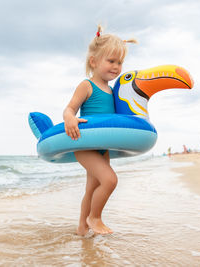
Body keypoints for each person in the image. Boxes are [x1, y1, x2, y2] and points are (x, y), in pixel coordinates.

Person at [63, 25, 137, 235]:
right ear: (94, 61)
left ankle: (81, 229)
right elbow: (69, 109)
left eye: (119, 62)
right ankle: (95, 218)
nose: (116, 67)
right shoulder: (87, 86)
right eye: (111, 61)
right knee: (110, 180)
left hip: (102, 147)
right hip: (85, 144)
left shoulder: (113, 91)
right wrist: (69, 119)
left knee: (91, 189)